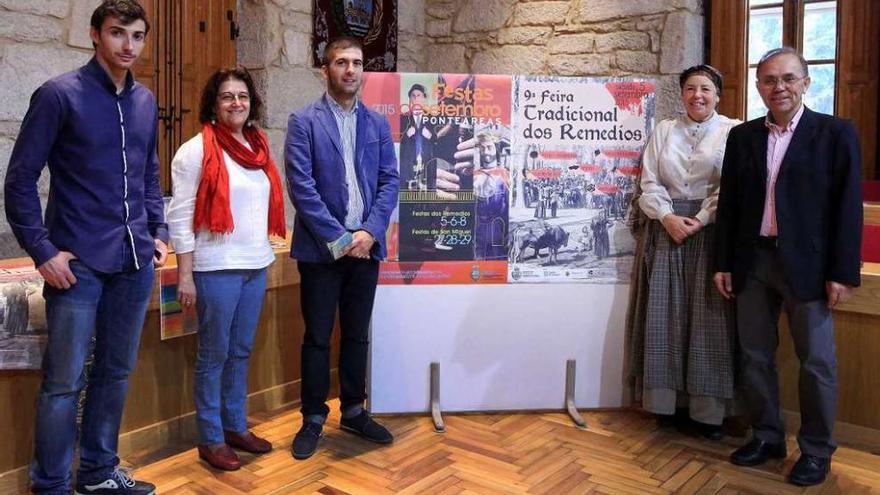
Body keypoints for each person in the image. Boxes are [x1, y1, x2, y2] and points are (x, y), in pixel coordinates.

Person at [3, 1, 165, 493]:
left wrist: (157, 229)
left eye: (137, 36)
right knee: (63, 382)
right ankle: (50, 485)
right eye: (118, 33)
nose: (128, 46)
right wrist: (43, 251)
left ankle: (96, 475)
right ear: (95, 35)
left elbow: (149, 171)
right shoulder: (58, 96)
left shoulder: (145, 102)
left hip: (134, 261)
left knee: (115, 374)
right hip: (77, 267)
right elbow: (19, 180)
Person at [714, 47, 862, 486]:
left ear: (805, 82)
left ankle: (816, 450)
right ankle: (767, 436)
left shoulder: (836, 133)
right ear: (758, 86)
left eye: (788, 79)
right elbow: (731, 207)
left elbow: (847, 208)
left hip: (810, 267)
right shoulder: (742, 137)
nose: (779, 87)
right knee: (755, 356)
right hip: (753, 259)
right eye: (769, 80)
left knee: (816, 361)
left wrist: (842, 272)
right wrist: (724, 262)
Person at [284, 36, 399, 460]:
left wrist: (368, 232)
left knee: (356, 335)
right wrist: (340, 239)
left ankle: (353, 409)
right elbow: (302, 187)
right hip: (321, 251)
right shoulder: (303, 121)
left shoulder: (377, 125)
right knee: (316, 337)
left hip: (366, 248)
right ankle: (313, 417)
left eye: (356, 63)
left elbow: (389, 182)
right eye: (340, 63)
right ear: (325, 69)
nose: (350, 70)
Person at [166, 67, 285, 471]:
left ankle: (235, 426)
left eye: (242, 96)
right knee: (214, 355)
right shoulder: (196, 150)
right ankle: (211, 438)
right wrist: (184, 275)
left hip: (256, 263)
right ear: (213, 104)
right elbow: (180, 216)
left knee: (241, 351)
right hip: (215, 266)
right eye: (227, 96)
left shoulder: (258, 145)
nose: (236, 103)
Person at [628, 64, 740, 440]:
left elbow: (734, 186)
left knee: (709, 320)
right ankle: (665, 405)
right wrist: (666, 217)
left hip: (711, 233)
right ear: (682, 94)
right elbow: (650, 182)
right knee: (665, 317)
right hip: (668, 229)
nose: (698, 96)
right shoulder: (663, 131)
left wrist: (704, 217)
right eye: (691, 88)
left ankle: (709, 413)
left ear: (718, 95)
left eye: (706, 89)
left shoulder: (733, 132)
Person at [472, 132, 509, 260]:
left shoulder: (504, 175)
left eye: (490, 147)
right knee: (478, 257)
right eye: (482, 148)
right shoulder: (474, 174)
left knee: (496, 255)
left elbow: (508, 205)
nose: (486, 152)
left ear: (496, 150)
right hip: (477, 226)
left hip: (496, 225)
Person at [399, 83, 434, 191]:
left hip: (428, 166)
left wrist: (431, 136)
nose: (416, 98)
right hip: (408, 167)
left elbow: (441, 142)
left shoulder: (433, 119)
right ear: (410, 100)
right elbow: (394, 142)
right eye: (413, 96)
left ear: (424, 98)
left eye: (419, 95)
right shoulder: (402, 119)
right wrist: (405, 136)